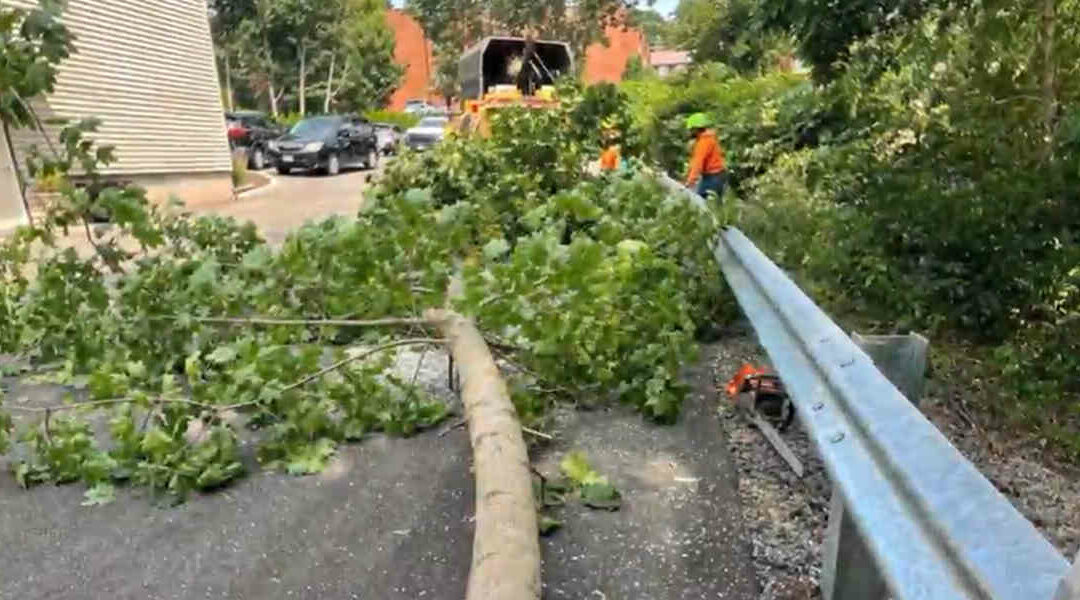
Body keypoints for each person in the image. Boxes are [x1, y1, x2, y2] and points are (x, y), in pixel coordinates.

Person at [683, 113, 727, 201]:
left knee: (704, 204)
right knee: (707, 202)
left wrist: (689, 182)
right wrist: (688, 177)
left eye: (691, 129)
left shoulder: (704, 142)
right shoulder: (707, 139)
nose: (690, 132)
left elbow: (698, 163)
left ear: (696, 129)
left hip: (714, 177)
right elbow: (694, 162)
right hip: (714, 176)